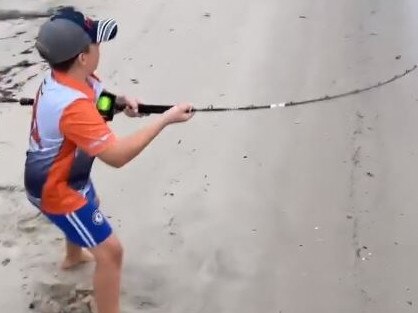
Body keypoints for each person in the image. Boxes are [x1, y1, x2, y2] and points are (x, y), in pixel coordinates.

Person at [24, 6, 194, 313]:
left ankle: (73, 257)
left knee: (92, 200)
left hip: (68, 175)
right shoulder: (70, 105)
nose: (100, 48)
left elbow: (97, 99)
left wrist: (119, 103)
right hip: (55, 188)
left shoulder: (73, 77)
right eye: (96, 43)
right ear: (82, 56)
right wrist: (164, 120)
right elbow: (116, 156)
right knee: (111, 253)